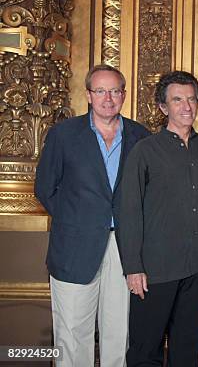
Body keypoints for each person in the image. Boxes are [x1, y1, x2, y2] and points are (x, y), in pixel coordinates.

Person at [34, 64, 150, 367]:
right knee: (72, 334)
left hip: (125, 249)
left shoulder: (141, 136)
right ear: (88, 95)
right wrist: (78, 221)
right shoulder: (63, 135)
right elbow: (45, 188)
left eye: (114, 91)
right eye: (100, 91)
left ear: (124, 95)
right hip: (74, 247)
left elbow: (150, 193)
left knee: (119, 334)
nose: (108, 98)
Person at [117, 71, 198, 366]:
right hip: (155, 270)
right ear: (164, 107)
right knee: (144, 351)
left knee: (186, 351)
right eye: (178, 100)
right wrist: (133, 267)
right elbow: (129, 211)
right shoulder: (145, 151)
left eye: (191, 99)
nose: (186, 106)